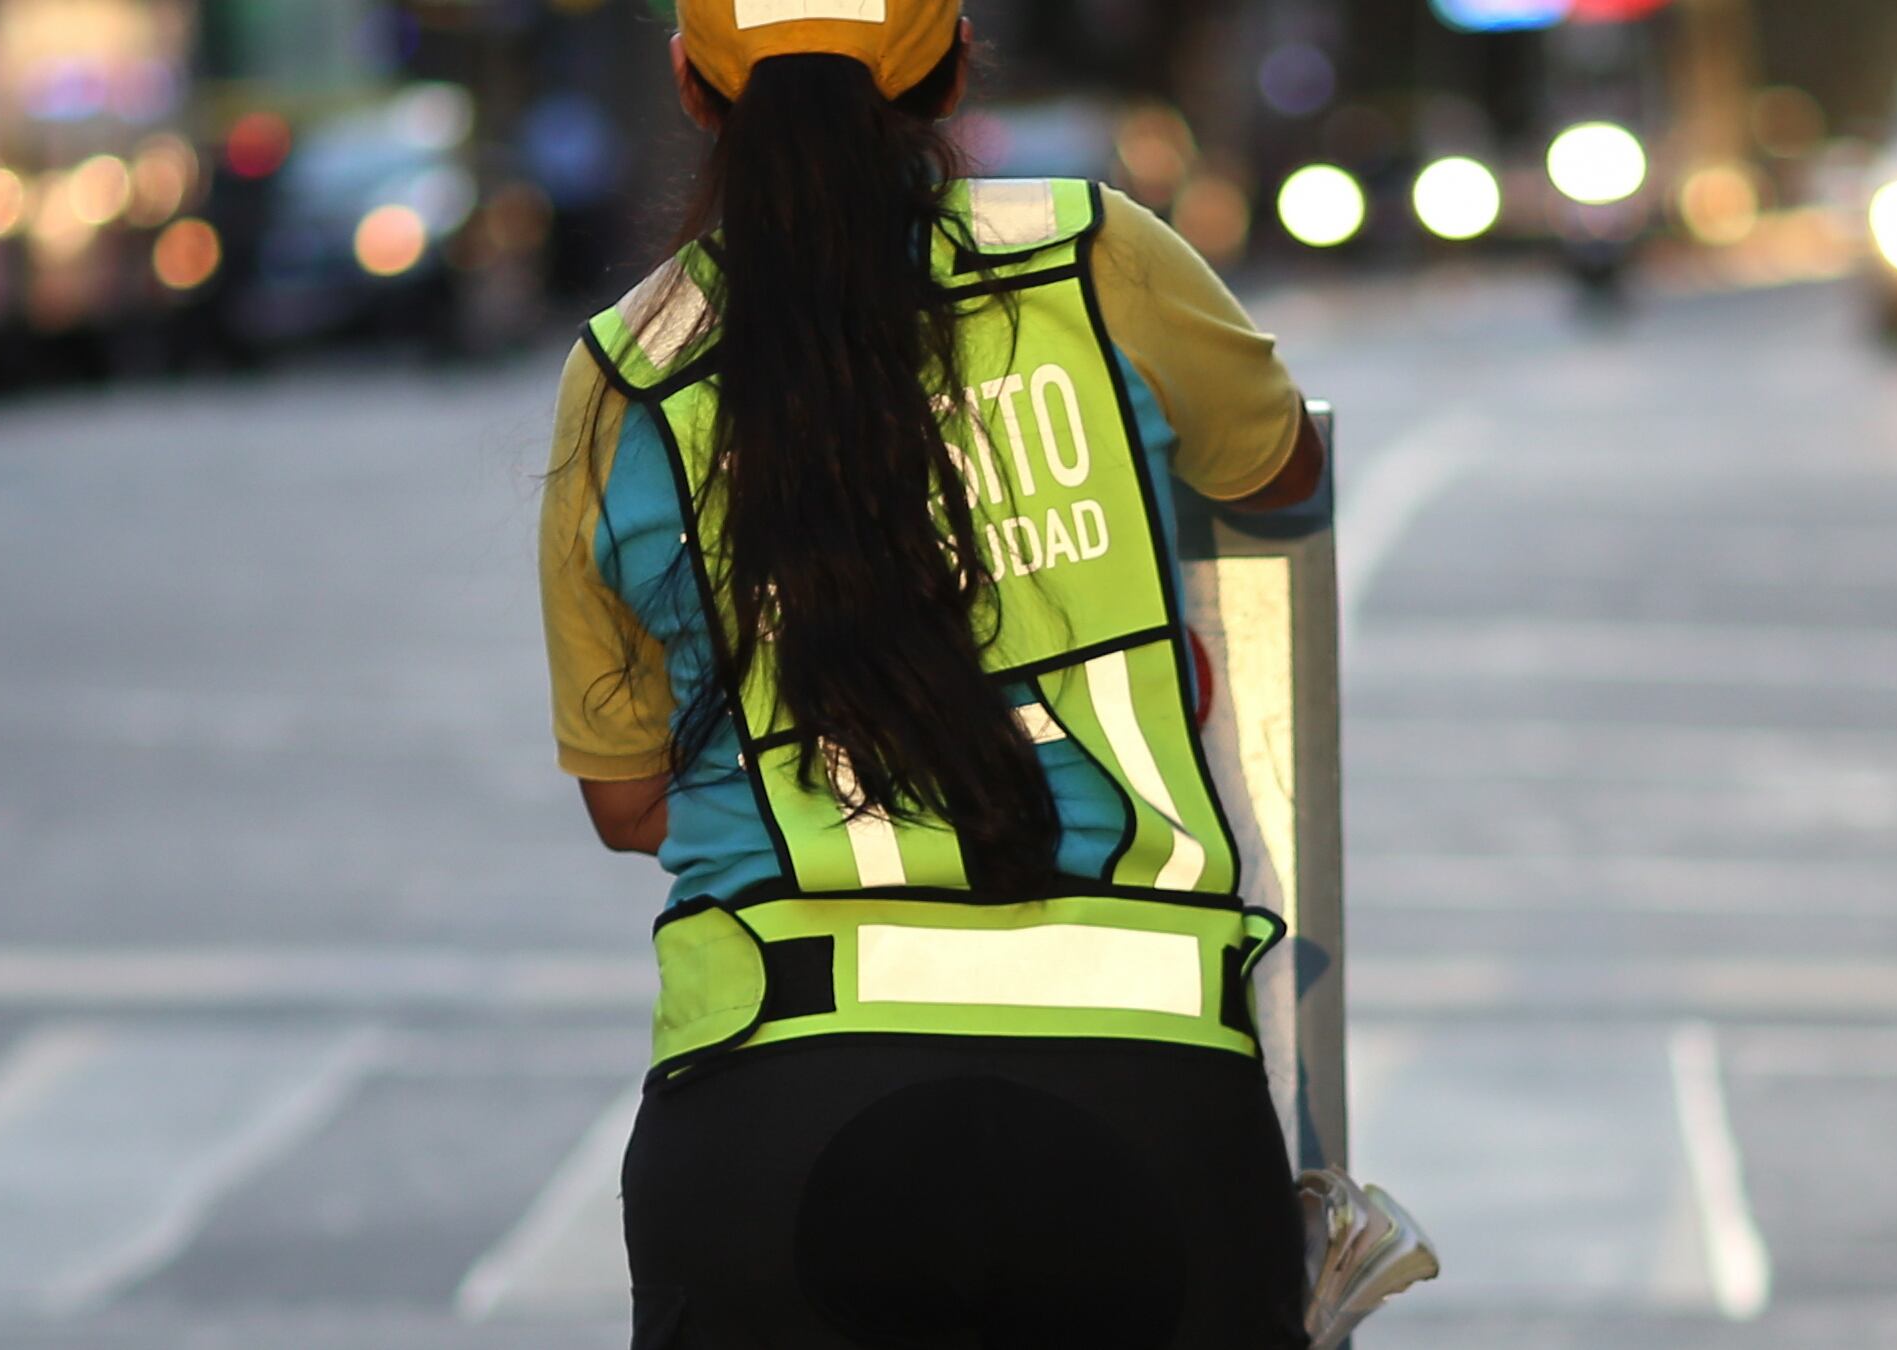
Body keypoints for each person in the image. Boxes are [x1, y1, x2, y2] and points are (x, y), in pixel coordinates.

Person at [538, 3, 1327, 1345]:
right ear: (954, 68)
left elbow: (626, 803)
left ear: (692, 88)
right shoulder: (1093, 254)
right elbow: (1277, 468)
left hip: (769, 1095)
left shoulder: (628, 368)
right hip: (1144, 1086)